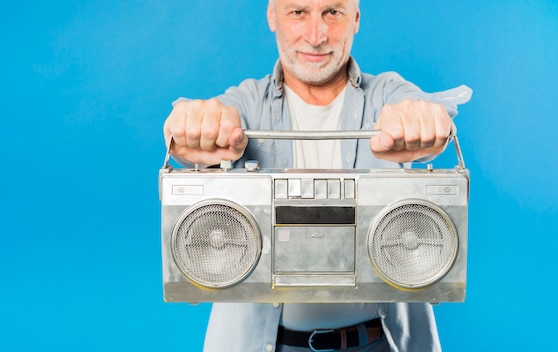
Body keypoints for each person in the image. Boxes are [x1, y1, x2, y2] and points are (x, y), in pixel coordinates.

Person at [163, 0, 472, 350]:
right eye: (298, 12)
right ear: (272, 16)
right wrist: (189, 126)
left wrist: (425, 121)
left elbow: (427, 115)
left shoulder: (387, 93)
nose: (315, 35)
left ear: (355, 18)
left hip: (379, 340)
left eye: (332, 12)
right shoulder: (246, 102)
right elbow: (202, 126)